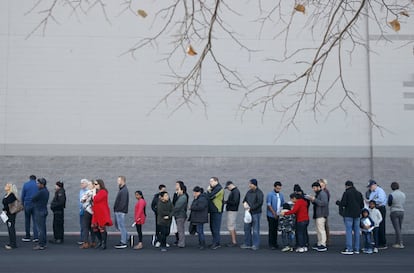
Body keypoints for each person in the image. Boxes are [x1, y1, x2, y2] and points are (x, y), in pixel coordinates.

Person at [336, 180, 364, 255]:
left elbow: (343, 203)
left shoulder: (346, 193)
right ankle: (357, 249)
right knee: (357, 231)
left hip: (348, 214)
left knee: (349, 231)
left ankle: (349, 248)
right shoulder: (359, 193)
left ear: (346, 186)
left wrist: (338, 203)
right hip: (357, 214)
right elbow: (362, 205)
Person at [240, 178, 264, 251]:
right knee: (246, 228)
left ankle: (255, 245)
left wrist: (251, 208)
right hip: (248, 213)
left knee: (255, 229)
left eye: (250, 184)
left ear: (254, 184)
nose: (249, 185)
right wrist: (244, 204)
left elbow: (259, 203)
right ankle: (247, 243)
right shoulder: (248, 192)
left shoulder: (259, 193)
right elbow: (244, 200)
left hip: (256, 213)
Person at [307, 181, 329, 252]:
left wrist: (314, 199)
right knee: (318, 230)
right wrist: (312, 200)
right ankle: (319, 243)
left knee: (321, 230)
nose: (313, 189)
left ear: (318, 187)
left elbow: (324, 203)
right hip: (317, 214)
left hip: (321, 214)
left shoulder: (322, 194)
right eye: (313, 188)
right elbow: (317, 203)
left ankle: (323, 244)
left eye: (314, 188)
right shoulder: (319, 194)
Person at [91, 179, 113, 250]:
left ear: (100, 184)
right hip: (96, 212)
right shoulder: (97, 192)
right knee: (94, 227)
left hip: (102, 212)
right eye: (94, 184)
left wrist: (94, 192)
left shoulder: (103, 192)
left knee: (102, 227)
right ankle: (100, 241)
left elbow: (96, 199)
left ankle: (104, 243)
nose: (95, 185)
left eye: (96, 184)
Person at [366, 180, 387, 249]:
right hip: (375, 208)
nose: (370, 188)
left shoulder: (380, 191)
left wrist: (372, 202)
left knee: (381, 225)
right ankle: (378, 241)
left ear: (375, 185)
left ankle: (383, 243)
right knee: (376, 225)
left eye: (371, 186)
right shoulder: (373, 192)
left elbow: (381, 199)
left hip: (380, 208)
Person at [32, 177, 50, 250]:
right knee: (43, 228)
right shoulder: (46, 191)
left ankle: (41, 244)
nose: (37, 185)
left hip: (39, 211)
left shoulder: (41, 191)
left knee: (40, 229)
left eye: (38, 183)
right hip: (44, 210)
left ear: (42, 184)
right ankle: (43, 243)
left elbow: (33, 198)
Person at [206, 176, 224, 250]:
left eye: (212, 181)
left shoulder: (219, 188)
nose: (210, 183)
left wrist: (208, 191)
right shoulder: (214, 188)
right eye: (210, 181)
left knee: (215, 227)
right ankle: (215, 241)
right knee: (212, 227)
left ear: (216, 181)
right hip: (213, 210)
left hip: (217, 210)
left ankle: (216, 243)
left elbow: (210, 196)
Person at [266, 181, 284, 250]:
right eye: (277, 188)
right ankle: (271, 243)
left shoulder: (281, 195)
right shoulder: (270, 194)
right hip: (271, 215)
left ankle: (275, 243)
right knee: (271, 229)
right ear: (274, 187)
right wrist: (274, 213)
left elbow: (282, 204)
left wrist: (280, 213)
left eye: (279, 188)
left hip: (278, 214)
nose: (278, 190)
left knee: (276, 229)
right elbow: (269, 205)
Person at [21, 175, 39, 242]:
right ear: (35, 179)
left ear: (30, 178)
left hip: (27, 204)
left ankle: (27, 237)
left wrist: (22, 204)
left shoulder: (26, 185)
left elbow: (23, 195)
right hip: (35, 205)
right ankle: (36, 237)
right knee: (35, 221)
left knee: (27, 221)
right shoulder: (37, 185)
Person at [388, 181, 406, 249]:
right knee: (399, 227)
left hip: (394, 211)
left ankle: (400, 243)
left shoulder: (391, 194)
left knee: (397, 228)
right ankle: (397, 241)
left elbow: (389, 203)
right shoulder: (403, 194)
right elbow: (403, 201)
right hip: (401, 211)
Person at [113, 175, 129, 249]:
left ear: (122, 181)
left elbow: (123, 202)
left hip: (120, 211)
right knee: (119, 226)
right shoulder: (122, 189)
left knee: (121, 226)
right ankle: (127, 237)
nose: (117, 181)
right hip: (118, 211)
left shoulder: (124, 190)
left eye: (118, 180)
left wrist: (119, 209)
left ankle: (123, 242)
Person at [79, 180, 96, 249]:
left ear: (92, 185)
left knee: (85, 227)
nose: (88, 186)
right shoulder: (96, 192)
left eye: (89, 184)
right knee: (92, 227)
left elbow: (82, 200)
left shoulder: (89, 192)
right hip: (94, 212)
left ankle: (86, 243)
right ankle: (93, 242)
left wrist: (83, 199)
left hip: (87, 211)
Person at [171, 182, 188, 248]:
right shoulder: (180, 196)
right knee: (179, 229)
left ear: (182, 190)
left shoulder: (183, 197)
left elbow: (177, 207)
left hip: (180, 215)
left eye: (178, 190)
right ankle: (180, 242)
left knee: (180, 230)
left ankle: (181, 243)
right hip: (179, 215)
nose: (177, 191)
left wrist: (171, 214)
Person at [2, 183, 18, 249]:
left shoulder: (11, 195)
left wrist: (5, 209)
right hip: (7, 214)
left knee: (11, 229)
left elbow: (8, 205)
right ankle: (11, 243)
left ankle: (13, 245)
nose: (5, 186)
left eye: (7, 185)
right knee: (10, 229)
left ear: (10, 187)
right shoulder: (7, 194)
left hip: (11, 214)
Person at [224, 181, 240, 247]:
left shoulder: (235, 192)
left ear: (230, 185)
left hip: (232, 211)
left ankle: (234, 242)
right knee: (232, 226)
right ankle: (234, 240)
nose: (228, 189)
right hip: (232, 210)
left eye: (227, 187)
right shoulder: (235, 191)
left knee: (231, 226)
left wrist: (226, 202)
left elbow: (235, 202)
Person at [318, 178, 331, 245]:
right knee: (324, 226)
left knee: (324, 226)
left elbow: (324, 202)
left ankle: (326, 241)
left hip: (323, 211)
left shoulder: (325, 192)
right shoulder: (323, 191)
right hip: (323, 211)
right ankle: (326, 240)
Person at [78, 178, 89, 245]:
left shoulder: (88, 191)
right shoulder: (81, 191)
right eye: (81, 183)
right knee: (82, 225)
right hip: (81, 210)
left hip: (86, 210)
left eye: (82, 183)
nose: (81, 184)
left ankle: (85, 240)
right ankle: (82, 239)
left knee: (86, 226)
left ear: (86, 184)